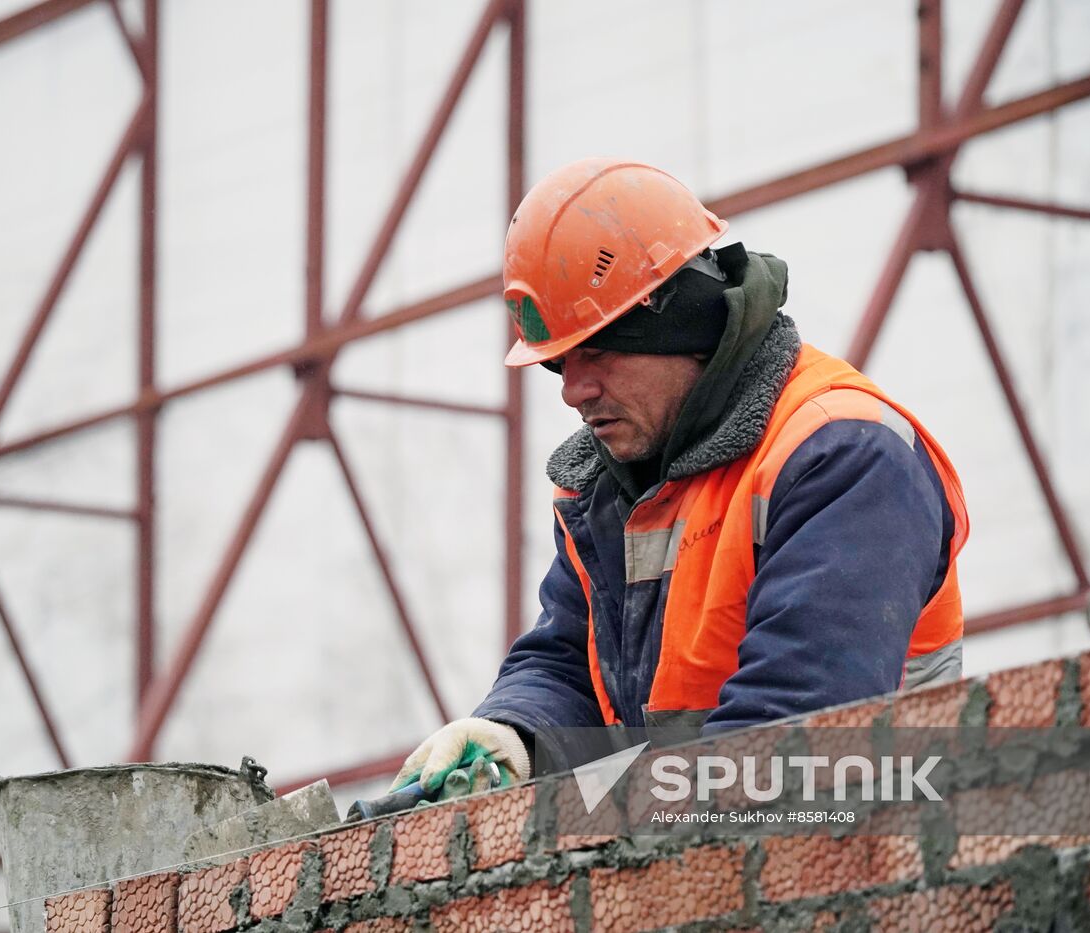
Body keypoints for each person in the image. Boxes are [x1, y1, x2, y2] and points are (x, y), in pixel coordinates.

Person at [392, 158, 968, 795]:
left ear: (679, 324)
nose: (573, 392)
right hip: (700, 856)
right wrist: (517, 734)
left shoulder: (842, 455)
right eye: (558, 365)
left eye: (599, 352)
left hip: (869, 857)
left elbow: (790, 739)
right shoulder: (608, 491)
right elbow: (570, 661)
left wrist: (595, 824)